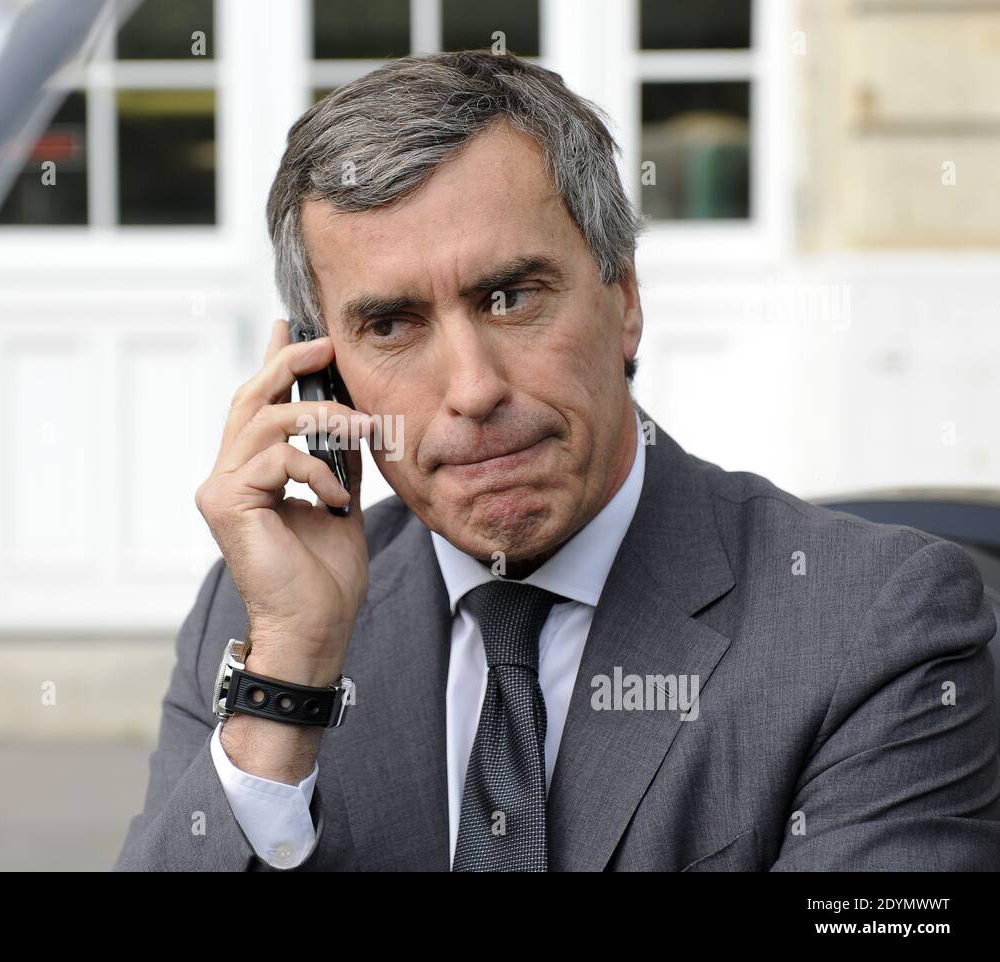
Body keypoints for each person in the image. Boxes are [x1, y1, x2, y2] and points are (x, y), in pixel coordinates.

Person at [115, 51, 1000, 871]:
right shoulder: (255, 621)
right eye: (391, 326)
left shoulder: (874, 624)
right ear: (323, 384)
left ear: (623, 300)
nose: (472, 389)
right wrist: (289, 685)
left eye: (511, 298)